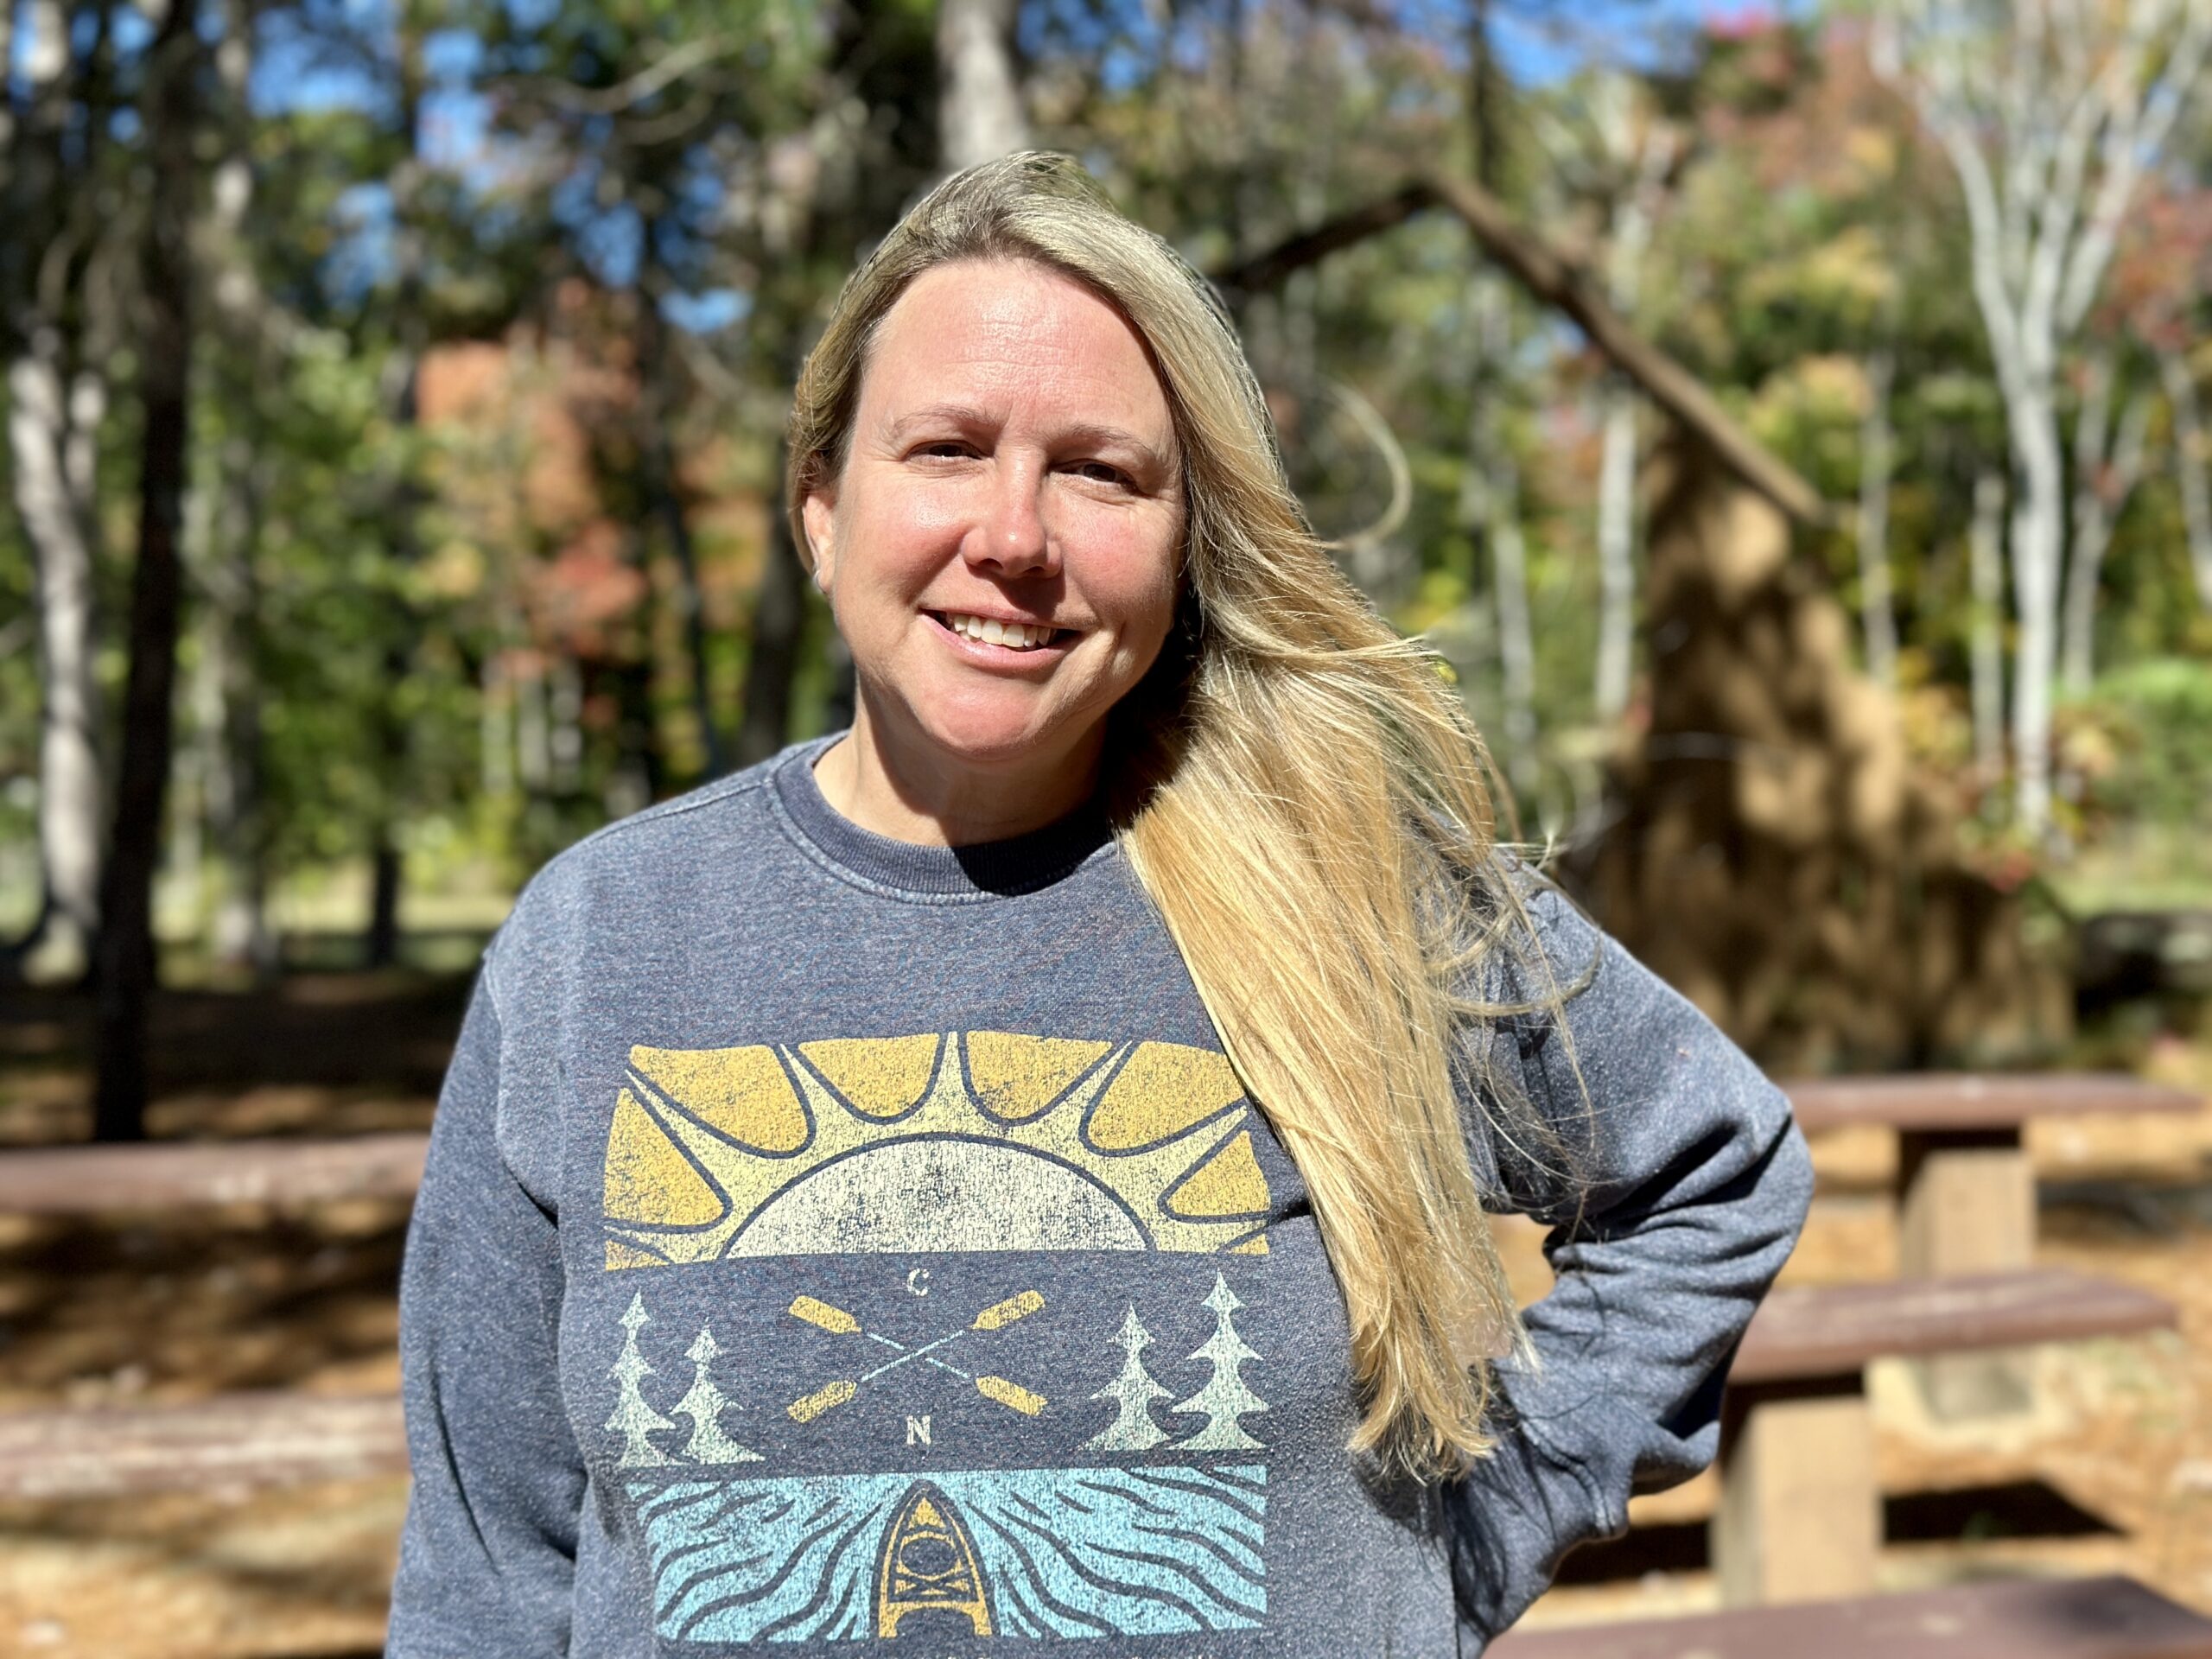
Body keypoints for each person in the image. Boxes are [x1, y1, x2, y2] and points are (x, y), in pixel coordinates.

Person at [387, 151, 1813, 1657]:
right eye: (944, 448)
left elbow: (1712, 1171)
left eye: (1100, 471)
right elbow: (489, 1566)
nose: (1014, 536)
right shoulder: (602, 936)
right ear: (820, 509)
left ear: (1187, 543)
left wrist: (1445, 1566)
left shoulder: (1347, 893)